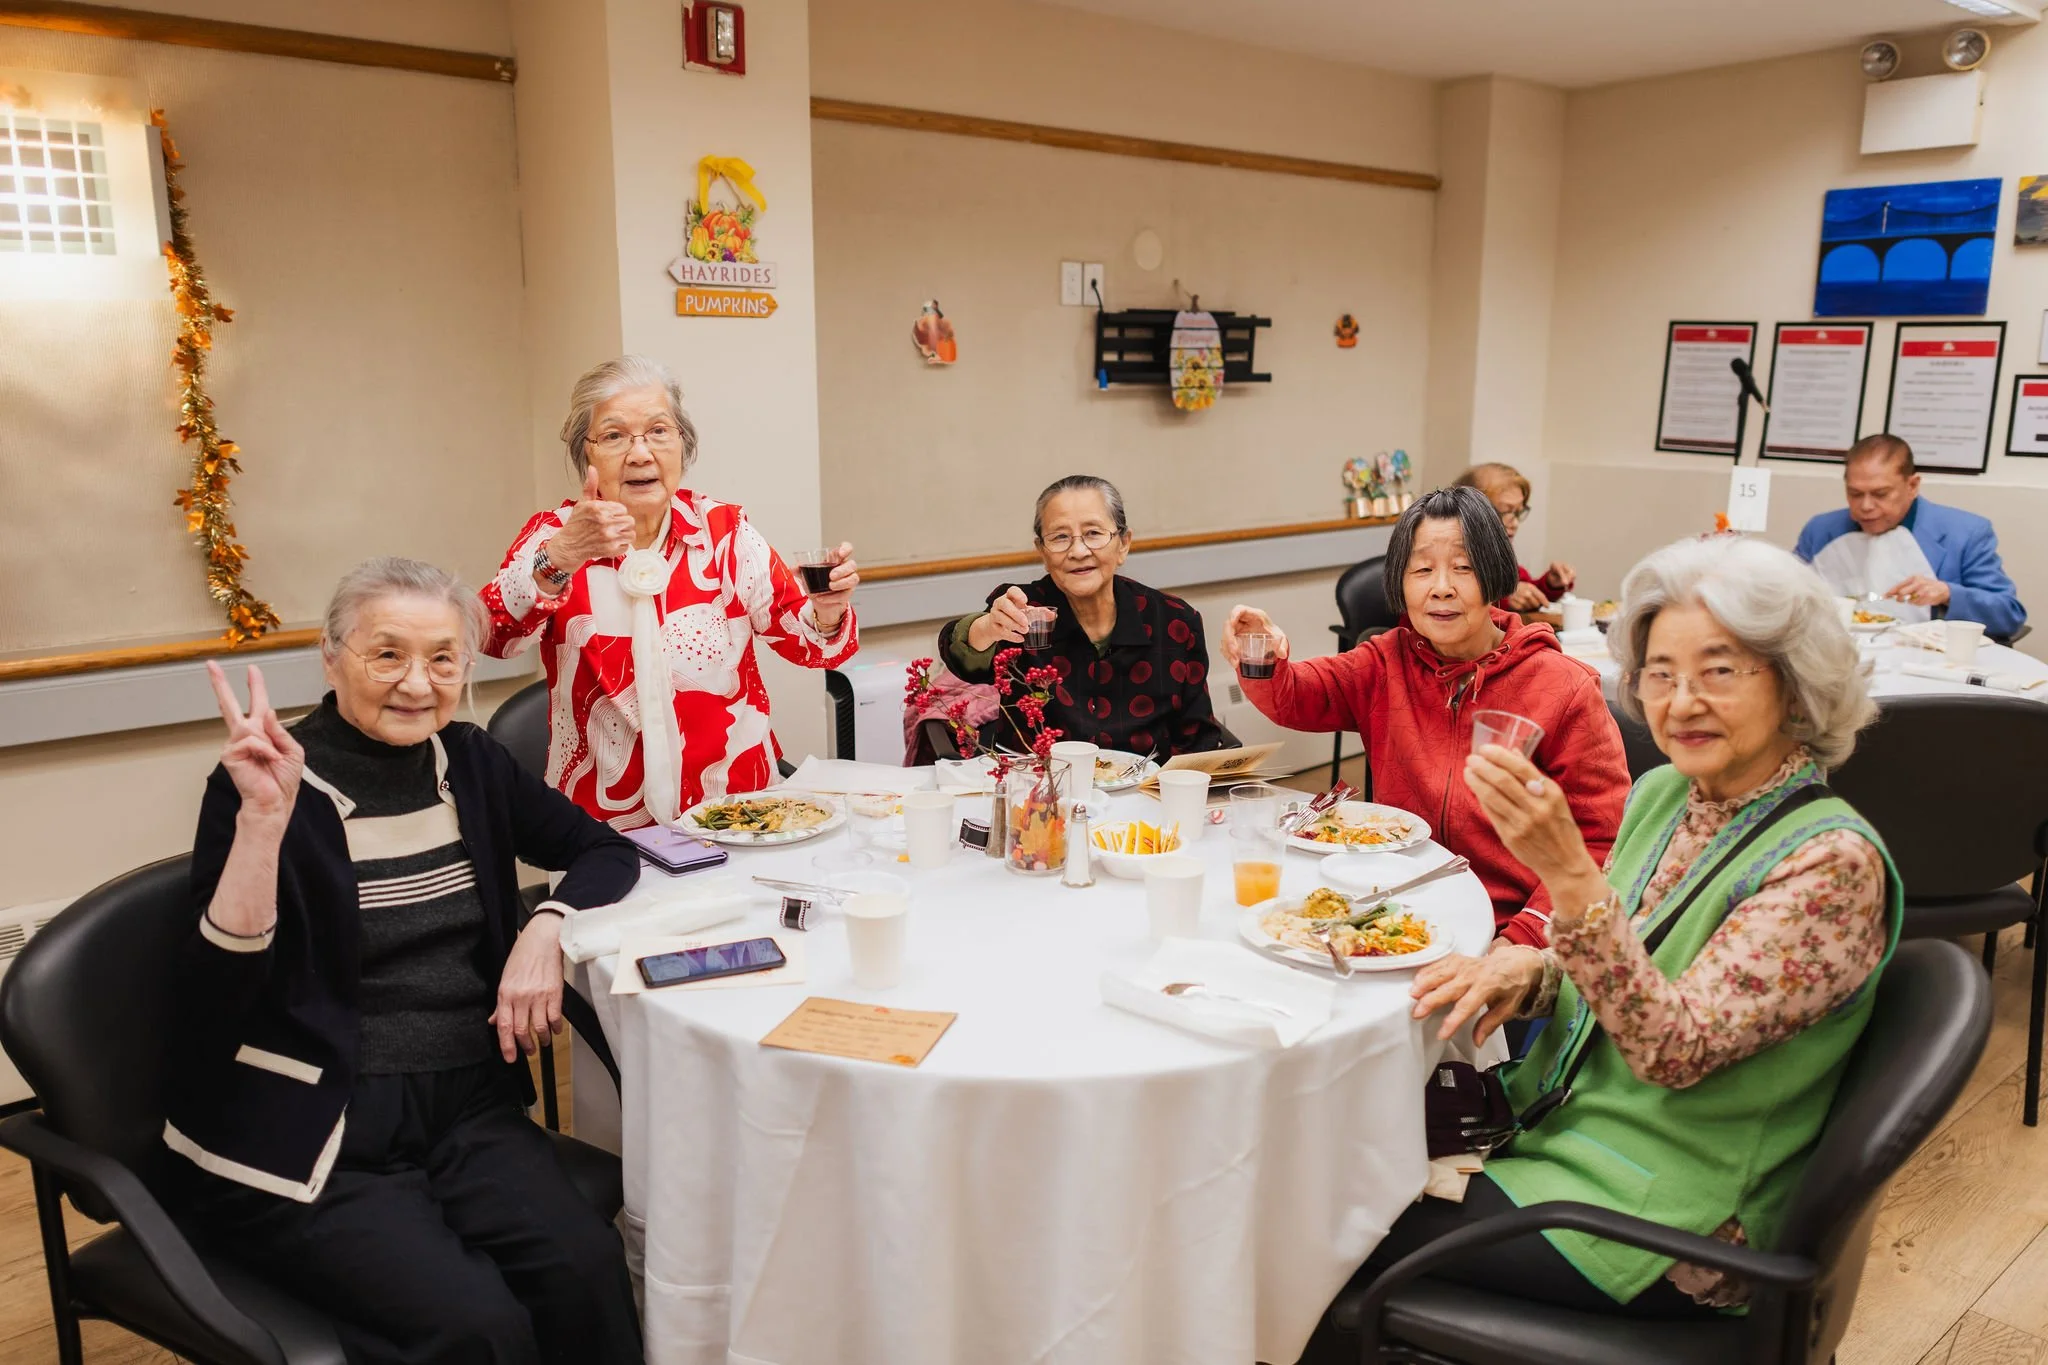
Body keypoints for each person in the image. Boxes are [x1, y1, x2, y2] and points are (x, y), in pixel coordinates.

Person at [1299, 536, 1901, 1358]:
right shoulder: (1668, 794)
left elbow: (1672, 1046)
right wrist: (1530, 971)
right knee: (1318, 1151)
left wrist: (1565, 873)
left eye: (1720, 670)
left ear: (1796, 685)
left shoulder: (1829, 864)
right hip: (1556, 1127)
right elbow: (1636, 964)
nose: (1682, 700)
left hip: (1660, 1215)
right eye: (1660, 671)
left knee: (1315, 1227)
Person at [164, 558, 644, 1365]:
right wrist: (261, 825)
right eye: (386, 654)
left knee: (585, 1268)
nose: (417, 683)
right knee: (475, 1327)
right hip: (318, 1121)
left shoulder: (470, 761)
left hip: (465, 1104)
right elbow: (218, 993)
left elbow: (601, 849)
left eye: (444, 657)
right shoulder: (270, 782)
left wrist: (546, 925)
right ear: (331, 656)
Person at [1224, 486, 1628, 948]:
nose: (1441, 587)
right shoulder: (1384, 661)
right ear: (1400, 581)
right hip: (1394, 906)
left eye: (1464, 568)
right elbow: (1294, 696)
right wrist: (1262, 657)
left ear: (1495, 573)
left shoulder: (1563, 687)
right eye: (1421, 569)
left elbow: (1603, 841)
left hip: (1505, 923)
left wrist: (1524, 937)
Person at [483, 354, 860, 829]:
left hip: (739, 811)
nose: (641, 454)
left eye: (659, 431)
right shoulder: (556, 536)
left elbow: (813, 647)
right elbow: (495, 636)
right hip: (603, 827)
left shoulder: (725, 534)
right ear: (587, 452)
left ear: (682, 443)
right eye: (615, 435)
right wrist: (560, 557)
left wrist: (826, 612)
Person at [936, 474, 1228, 755]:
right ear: (1042, 551)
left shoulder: (1174, 621)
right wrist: (987, 628)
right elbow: (961, 656)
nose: (1078, 550)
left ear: (1123, 544)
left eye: (1093, 533)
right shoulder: (1023, 611)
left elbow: (1197, 740)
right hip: (1043, 793)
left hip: (1147, 796)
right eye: (1060, 537)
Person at [1793, 433, 2025, 639]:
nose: (1865, 506)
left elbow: (2008, 614)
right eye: (1854, 494)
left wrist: (1947, 593)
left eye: (1880, 494)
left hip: (1926, 665)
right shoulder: (1821, 530)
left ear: (1912, 486)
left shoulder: (1965, 533)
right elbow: (1787, 596)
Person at [1453, 462, 1575, 612]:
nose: (1515, 523)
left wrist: (1549, 584)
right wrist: (1505, 598)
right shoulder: (1451, 555)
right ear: (1469, 511)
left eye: (1518, 512)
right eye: (1506, 511)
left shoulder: (1501, 557)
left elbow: (1526, 591)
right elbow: (1455, 600)